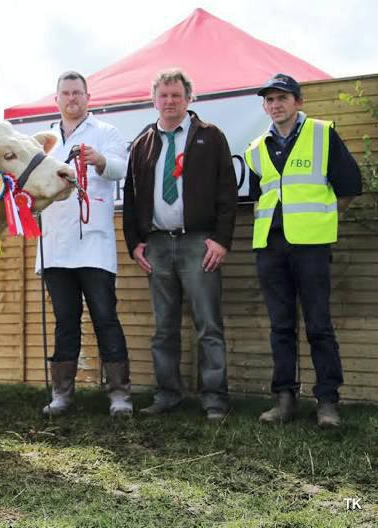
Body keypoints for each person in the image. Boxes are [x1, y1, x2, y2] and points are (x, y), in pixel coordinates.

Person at [246, 73, 362, 429]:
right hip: (270, 247)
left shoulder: (322, 134)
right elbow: (258, 198)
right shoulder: (255, 149)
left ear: (298, 101)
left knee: (319, 325)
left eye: (282, 98)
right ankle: (284, 399)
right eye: (269, 100)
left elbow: (349, 185)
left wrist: (322, 220)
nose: (275, 105)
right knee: (280, 326)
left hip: (311, 246)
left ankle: (327, 402)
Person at [123, 69, 237, 421]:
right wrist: (134, 243)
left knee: (208, 325)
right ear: (153, 100)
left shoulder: (210, 136)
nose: (170, 101)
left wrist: (221, 240)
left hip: (199, 243)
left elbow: (227, 191)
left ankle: (214, 399)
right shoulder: (142, 143)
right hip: (157, 245)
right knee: (164, 328)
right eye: (164, 95)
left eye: (176, 95)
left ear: (189, 99)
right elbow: (131, 197)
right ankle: (167, 395)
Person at [37, 70, 132, 417]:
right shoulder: (44, 140)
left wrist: (101, 160)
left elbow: (121, 168)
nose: (72, 98)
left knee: (105, 318)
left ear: (88, 98)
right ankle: (62, 395)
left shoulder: (106, 132)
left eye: (77, 92)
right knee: (65, 322)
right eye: (66, 93)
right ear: (57, 99)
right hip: (56, 246)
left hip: (94, 245)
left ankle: (120, 395)